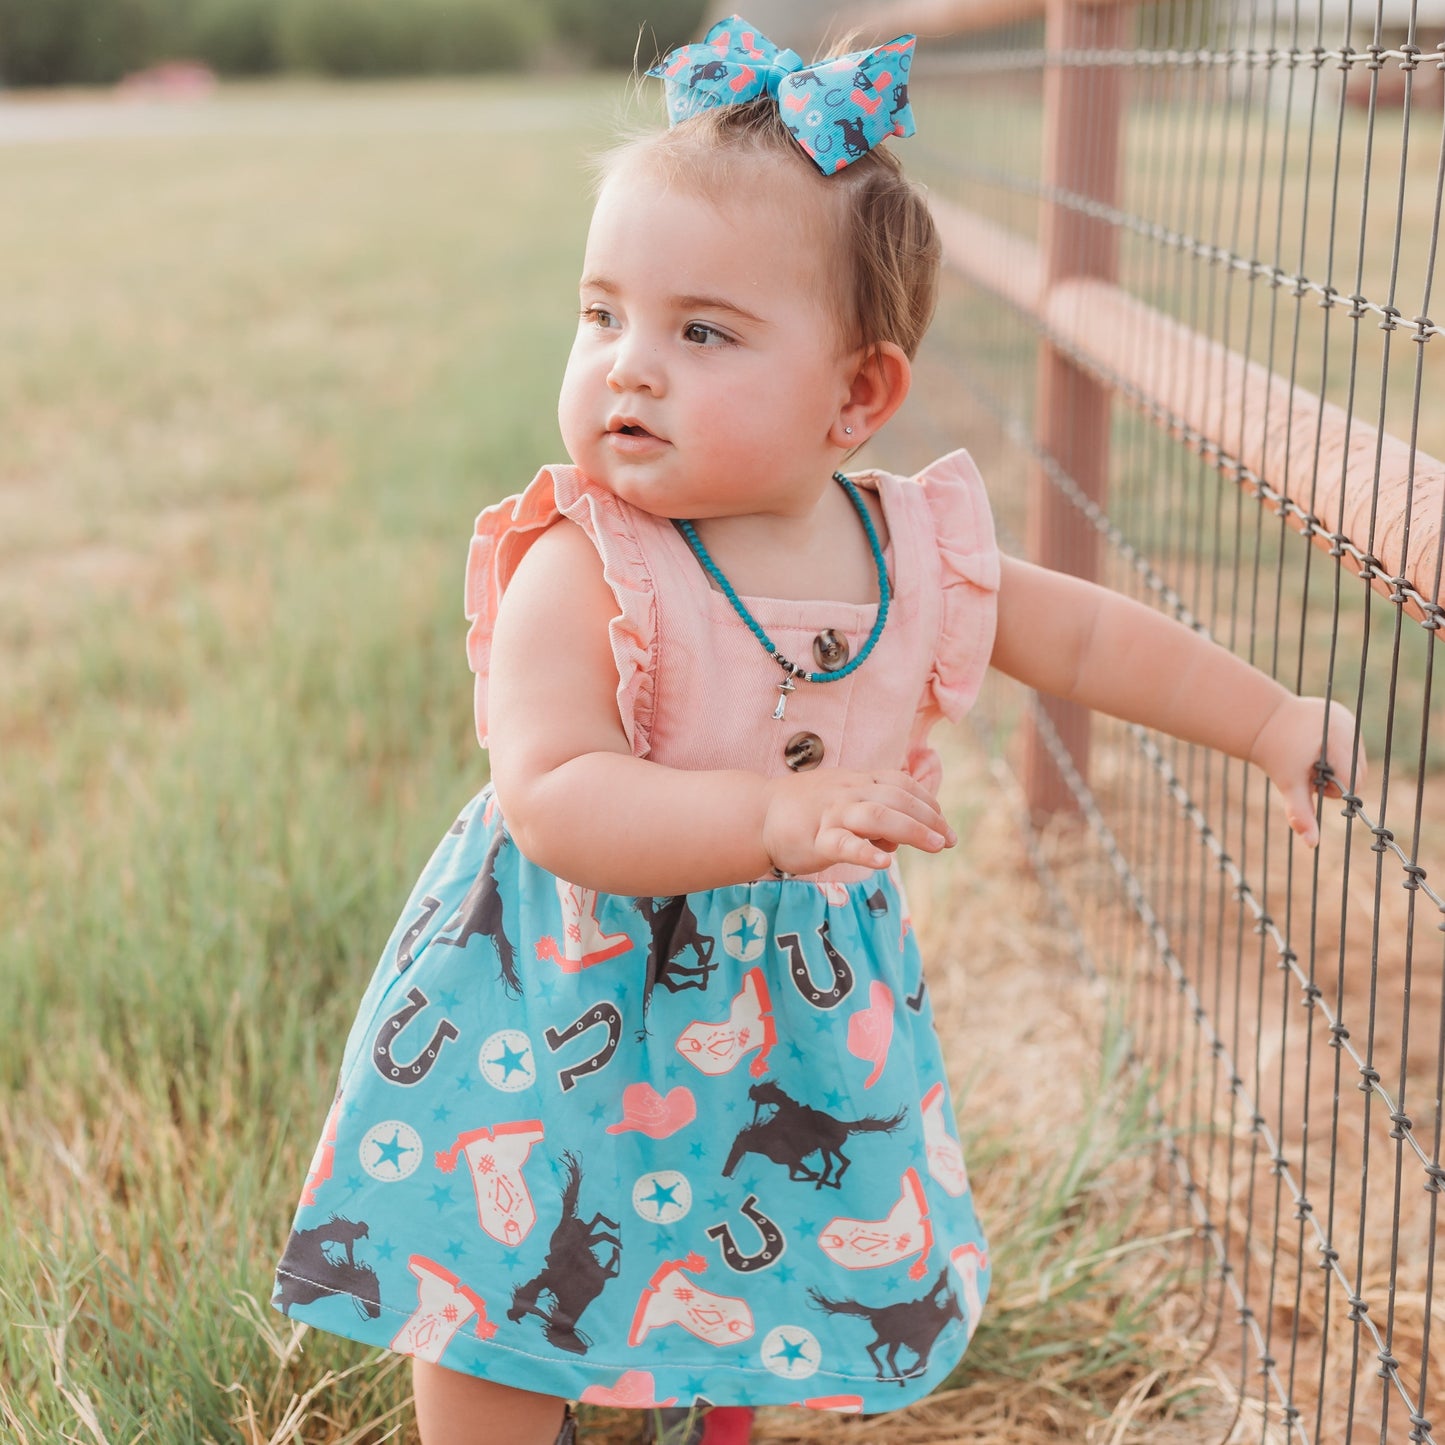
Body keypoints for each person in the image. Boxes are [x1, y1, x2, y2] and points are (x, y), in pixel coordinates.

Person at [272, 17, 1360, 1445]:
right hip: (561, 988)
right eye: (602, 315)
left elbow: (1086, 637)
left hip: (780, 1008)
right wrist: (771, 820)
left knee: (752, 1241)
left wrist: (1271, 717)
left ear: (857, 394)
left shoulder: (912, 551)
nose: (628, 368)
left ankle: (715, 1409)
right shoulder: (583, 563)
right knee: (509, 1272)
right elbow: (552, 795)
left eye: (699, 331)